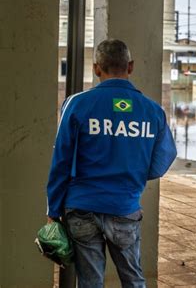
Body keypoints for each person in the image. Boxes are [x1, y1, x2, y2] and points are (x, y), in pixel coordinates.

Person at [46, 39, 177, 287]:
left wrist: (53, 209)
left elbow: (61, 161)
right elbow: (161, 163)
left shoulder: (76, 105)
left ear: (96, 69)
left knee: (90, 281)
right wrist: (131, 175)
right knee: (133, 279)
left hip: (81, 208)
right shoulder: (152, 111)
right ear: (130, 66)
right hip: (124, 207)